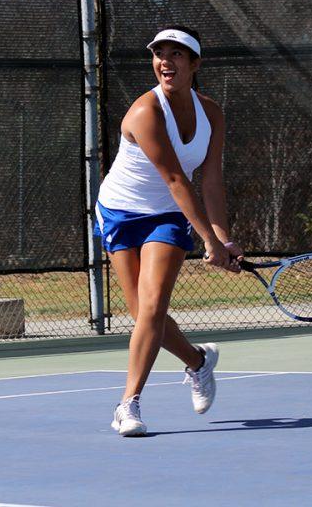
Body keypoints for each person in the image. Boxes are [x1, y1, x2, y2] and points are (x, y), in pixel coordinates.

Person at [95, 25, 243, 437]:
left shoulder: (211, 112)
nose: (166, 61)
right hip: (120, 212)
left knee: (154, 304)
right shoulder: (146, 111)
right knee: (143, 314)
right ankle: (198, 360)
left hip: (167, 216)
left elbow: (210, 180)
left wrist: (224, 237)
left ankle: (128, 404)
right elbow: (178, 179)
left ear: (195, 64)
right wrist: (209, 243)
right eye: (160, 53)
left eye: (177, 54)